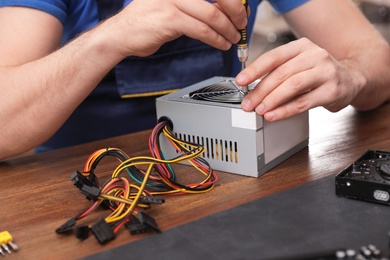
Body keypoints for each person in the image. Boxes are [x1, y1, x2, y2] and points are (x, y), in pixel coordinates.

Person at [0, 0, 389, 161]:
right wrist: (109, 38)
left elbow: (379, 62)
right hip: (84, 178)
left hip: (224, 169)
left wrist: (349, 76)